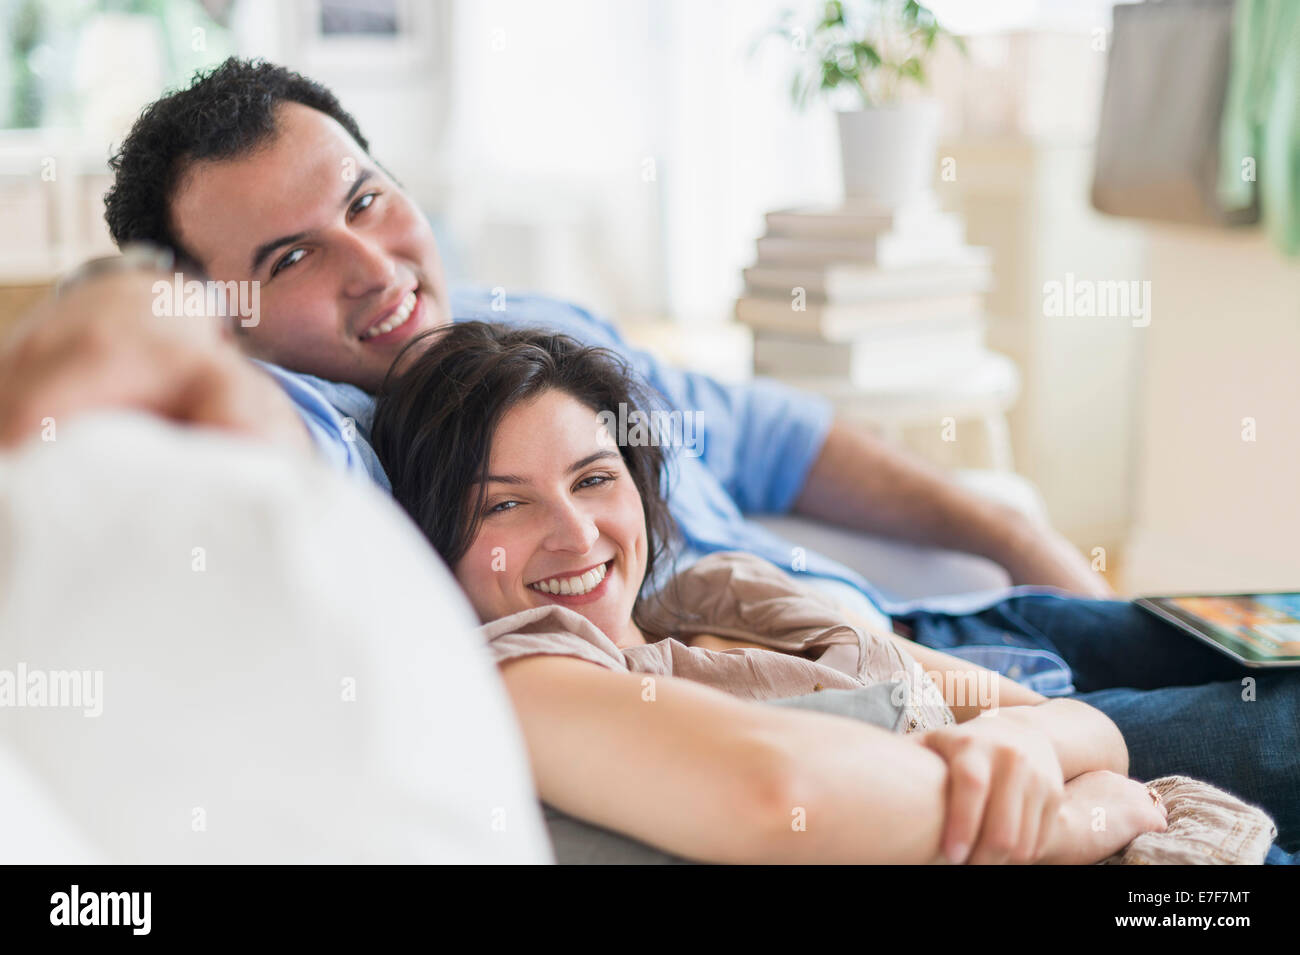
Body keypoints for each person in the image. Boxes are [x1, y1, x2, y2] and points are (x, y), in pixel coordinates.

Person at [2, 57, 1295, 857]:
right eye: (288, 261)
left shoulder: (541, 323)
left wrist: (1030, 545)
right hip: (865, 713)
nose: (374, 267)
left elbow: (778, 435)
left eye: (365, 200)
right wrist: (115, 333)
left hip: (960, 625)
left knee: (1265, 631)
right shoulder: (334, 438)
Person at [369, 320, 1172, 864]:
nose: (577, 534)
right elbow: (780, 793)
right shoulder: (519, 669)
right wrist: (1063, 818)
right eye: (503, 503)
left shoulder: (724, 591)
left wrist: (1023, 745)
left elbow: (1074, 724)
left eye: (594, 478)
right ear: (432, 538)